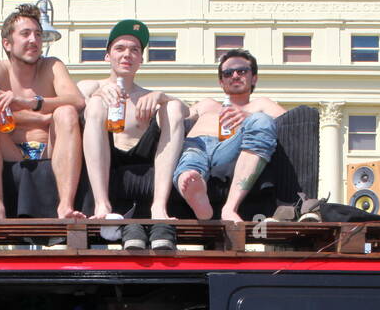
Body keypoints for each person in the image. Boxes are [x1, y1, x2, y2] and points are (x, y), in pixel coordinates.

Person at [0, 3, 87, 219]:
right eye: (25, 34)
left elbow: (77, 100)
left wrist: (29, 102)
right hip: (10, 149)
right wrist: (41, 116)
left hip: (49, 148)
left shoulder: (52, 65)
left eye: (38, 34)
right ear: (7, 43)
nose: (34, 40)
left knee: (67, 113)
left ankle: (65, 206)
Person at [78, 20, 187, 247]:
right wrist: (98, 93)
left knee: (174, 107)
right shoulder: (91, 86)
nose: (127, 54)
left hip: (143, 155)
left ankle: (159, 205)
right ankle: (102, 204)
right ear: (107, 56)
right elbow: (73, 101)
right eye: (120, 48)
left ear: (141, 59)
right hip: (104, 155)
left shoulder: (147, 95)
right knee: (97, 105)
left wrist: (161, 96)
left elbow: (188, 112)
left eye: (134, 50)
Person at [174, 49, 286, 222]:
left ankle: (230, 207)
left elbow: (290, 123)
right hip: (197, 145)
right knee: (190, 162)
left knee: (261, 120)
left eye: (242, 71)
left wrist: (249, 118)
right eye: (228, 73)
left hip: (229, 151)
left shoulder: (261, 104)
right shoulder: (208, 104)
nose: (234, 75)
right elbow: (179, 116)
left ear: (254, 78)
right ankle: (195, 190)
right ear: (221, 82)